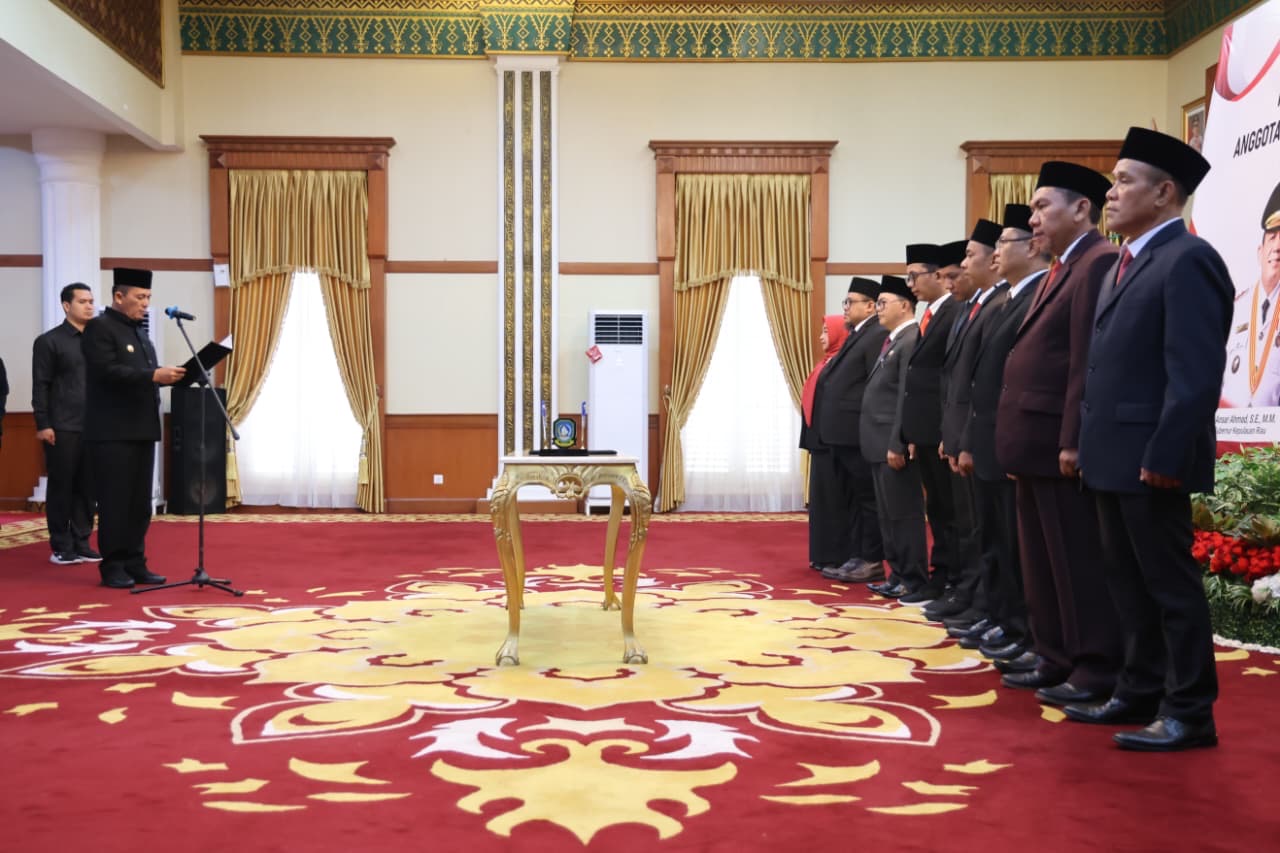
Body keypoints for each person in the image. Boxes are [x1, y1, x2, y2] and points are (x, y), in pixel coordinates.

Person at [1070, 127, 1232, 752]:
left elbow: (1194, 376)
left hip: (1151, 458)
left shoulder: (1189, 258)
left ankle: (1190, 711)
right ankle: (1138, 690)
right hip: (1112, 454)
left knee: (1169, 588)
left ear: (1165, 192)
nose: (1111, 194)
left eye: (1123, 182)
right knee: (1127, 583)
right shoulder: (1129, 262)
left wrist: (1166, 453)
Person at [995, 161, 1123, 705]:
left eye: (1042, 207)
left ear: (1081, 208)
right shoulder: (1060, 268)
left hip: (1057, 443)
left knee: (1074, 562)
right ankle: (1053, 653)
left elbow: (1083, 360)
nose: (1033, 219)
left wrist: (1073, 438)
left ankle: (1092, 665)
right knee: (1042, 561)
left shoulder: (1096, 262)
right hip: (1033, 442)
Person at [955, 203, 1049, 673]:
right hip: (991, 439)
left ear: (1031, 248)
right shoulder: (1007, 299)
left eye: (1003, 245)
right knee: (995, 540)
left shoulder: (1037, 296)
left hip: (1015, 442)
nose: (994, 255)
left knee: (1017, 547)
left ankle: (1024, 629)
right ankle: (1004, 620)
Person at [82, 267, 186, 589]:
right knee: (115, 501)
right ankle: (113, 565)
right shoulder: (99, 328)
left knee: (140, 504)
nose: (145, 303)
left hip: (142, 428)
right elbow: (106, 372)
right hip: (112, 431)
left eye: (148, 297)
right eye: (140, 297)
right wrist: (154, 375)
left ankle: (135, 562)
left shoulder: (140, 333)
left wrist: (170, 376)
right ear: (118, 296)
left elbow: (143, 375)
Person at [930, 220, 1007, 629]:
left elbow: (986, 383)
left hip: (982, 438)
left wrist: (966, 439)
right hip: (961, 434)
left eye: (969, 256)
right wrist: (951, 434)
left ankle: (985, 606)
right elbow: (955, 381)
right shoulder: (971, 308)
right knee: (968, 526)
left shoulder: (1000, 304)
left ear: (994, 260)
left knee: (986, 531)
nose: (962, 266)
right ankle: (971, 597)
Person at [899, 242, 965, 605]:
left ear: (937, 275)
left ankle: (953, 580)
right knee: (937, 510)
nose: (910, 284)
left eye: (915, 276)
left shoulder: (954, 310)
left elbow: (949, 377)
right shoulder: (930, 315)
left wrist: (944, 432)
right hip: (924, 432)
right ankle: (940, 577)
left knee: (952, 512)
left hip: (942, 431)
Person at [811, 278, 889, 583]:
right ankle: (856, 556)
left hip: (858, 433)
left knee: (868, 500)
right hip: (842, 434)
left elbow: (875, 384)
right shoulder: (859, 333)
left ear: (869, 306)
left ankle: (871, 560)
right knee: (855, 500)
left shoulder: (877, 334)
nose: (845, 307)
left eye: (850, 302)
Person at [862, 276, 928, 599]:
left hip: (892, 445)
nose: (878, 309)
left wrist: (898, 442)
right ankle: (897, 574)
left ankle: (912, 577)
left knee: (904, 515)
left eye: (883, 303)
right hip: (878, 445)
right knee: (888, 516)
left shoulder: (911, 338)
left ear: (905, 305)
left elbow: (906, 396)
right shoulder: (893, 340)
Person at [33, 283, 100, 565]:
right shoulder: (49, 341)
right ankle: (61, 545)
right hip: (61, 426)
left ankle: (82, 542)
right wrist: (43, 423)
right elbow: (41, 385)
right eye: (83, 301)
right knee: (62, 487)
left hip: (95, 426)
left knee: (88, 487)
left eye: (91, 301)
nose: (89, 306)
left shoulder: (98, 341)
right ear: (66, 305)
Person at [1220, 181, 1280, 408]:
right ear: (1260, 252)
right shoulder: (1234, 308)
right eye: (1272, 238)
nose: (1277, 247)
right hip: (1229, 427)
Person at [800, 313, 850, 571]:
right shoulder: (826, 362)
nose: (821, 337)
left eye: (826, 332)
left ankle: (836, 555)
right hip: (820, 442)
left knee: (835, 501)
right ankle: (821, 554)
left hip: (834, 443)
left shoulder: (842, 363)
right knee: (821, 502)